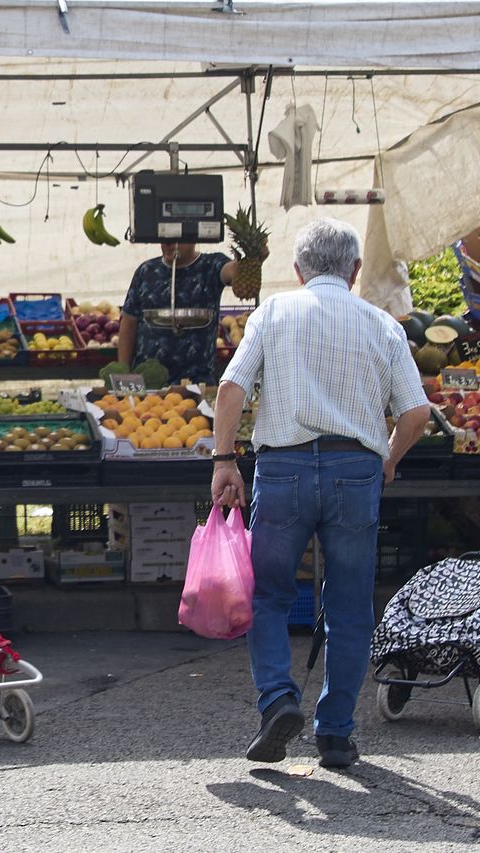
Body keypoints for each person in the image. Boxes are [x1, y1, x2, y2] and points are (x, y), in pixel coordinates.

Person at [210, 218, 430, 769]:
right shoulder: (382, 325)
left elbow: (231, 388)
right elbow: (417, 412)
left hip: (282, 468)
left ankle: (278, 699)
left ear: (297, 270)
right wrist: (388, 459)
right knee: (350, 606)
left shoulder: (273, 313)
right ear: (355, 270)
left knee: (269, 595)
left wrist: (224, 460)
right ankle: (335, 735)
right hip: (355, 468)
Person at [118, 242, 239, 385]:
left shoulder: (211, 266)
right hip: (148, 384)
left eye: (177, 239)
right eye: (164, 239)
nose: (168, 244)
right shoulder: (146, 271)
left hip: (197, 383)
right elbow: (129, 322)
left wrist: (249, 262)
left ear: (193, 238)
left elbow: (230, 272)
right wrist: (124, 374)